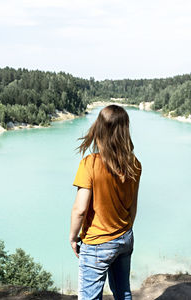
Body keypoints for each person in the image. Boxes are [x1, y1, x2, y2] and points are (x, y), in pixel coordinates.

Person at [69, 105, 142, 300]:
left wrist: (73, 236)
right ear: (125, 131)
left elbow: (80, 209)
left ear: (99, 129)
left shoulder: (90, 163)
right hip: (125, 237)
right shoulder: (133, 164)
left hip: (97, 243)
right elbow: (133, 206)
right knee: (123, 291)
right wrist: (125, 229)